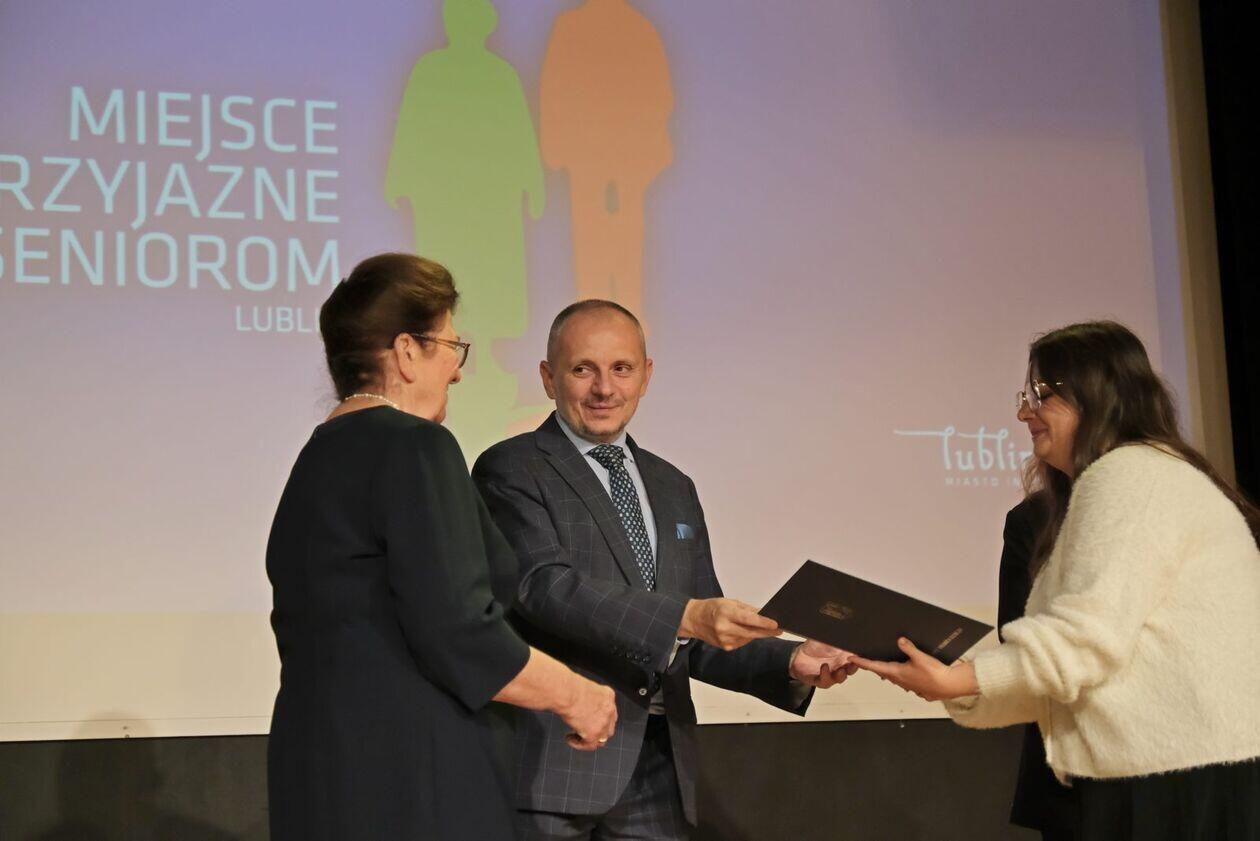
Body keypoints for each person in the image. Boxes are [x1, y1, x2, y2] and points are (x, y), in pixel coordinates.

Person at [854, 321, 1260, 841]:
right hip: (1159, 771)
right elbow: (1070, 669)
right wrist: (957, 683)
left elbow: (1084, 640)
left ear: (1097, 396)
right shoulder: (1131, 477)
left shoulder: (1133, 474)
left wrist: (962, 681)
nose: (1024, 413)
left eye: (1041, 395)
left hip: (1172, 780)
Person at [471, 299, 855, 840]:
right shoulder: (511, 467)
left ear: (646, 376)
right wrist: (689, 616)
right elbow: (545, 587)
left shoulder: (674, 486)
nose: (605, 388)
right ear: (547, 377)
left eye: (622, 368)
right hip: (553, 764)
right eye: (583, 369)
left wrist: (791, 661)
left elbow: (697, 638)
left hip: (660, 768)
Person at [266, 254, 618, 841]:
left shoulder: (315, 457)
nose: (456, 372)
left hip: (318, 774)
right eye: (453, 347)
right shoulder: (416, 447)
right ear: (407, 352)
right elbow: (460, 629)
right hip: (412, 781)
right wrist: (577, 695)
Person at [997, 494, 1079, 840]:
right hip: (1072, 769)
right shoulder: (1033, 519)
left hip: (1176, 764)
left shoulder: (1176, 499)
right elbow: (1017, 639)